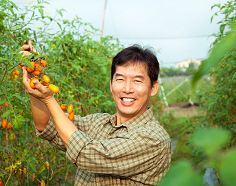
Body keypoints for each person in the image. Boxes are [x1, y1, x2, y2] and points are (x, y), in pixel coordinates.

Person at [20, 41, 171, 186]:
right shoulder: (98, 122)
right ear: (111, 85)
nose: (127, 89)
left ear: (153, 88)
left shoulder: (154, 139)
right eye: (120, 79)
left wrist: (48, 99)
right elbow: (46, 125)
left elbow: (88, 154)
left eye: (137, 81)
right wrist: (35, 77)